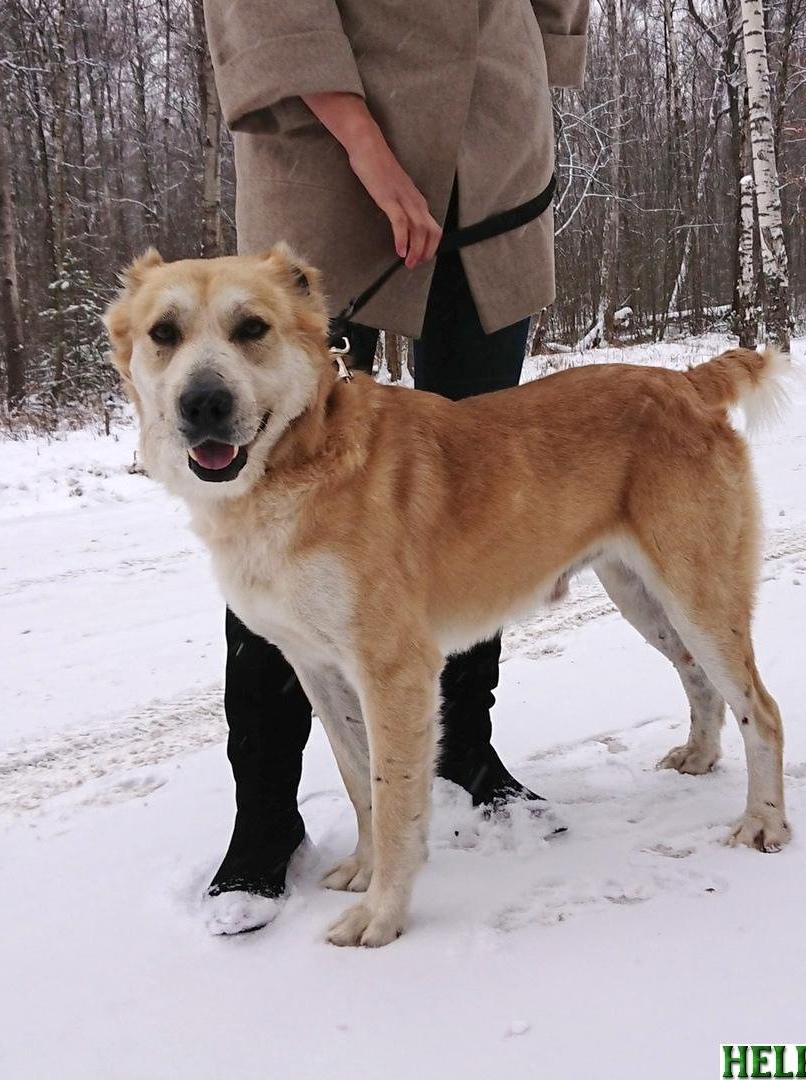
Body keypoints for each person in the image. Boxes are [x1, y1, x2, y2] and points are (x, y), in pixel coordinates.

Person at [202, 0, 589, 933]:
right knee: (271, 492)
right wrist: (370, 150)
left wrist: (543, 62)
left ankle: (463, 749)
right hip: (326, 157)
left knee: (479, 489)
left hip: (489, 160)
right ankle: (265, 811)